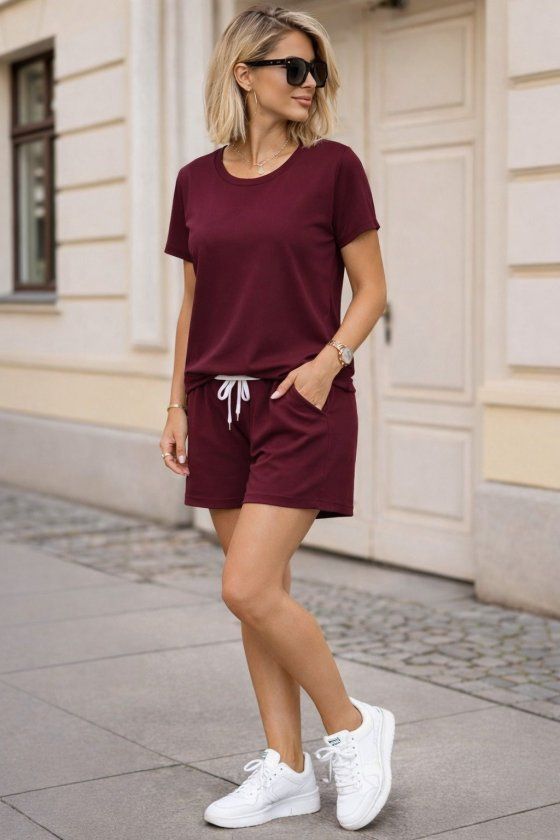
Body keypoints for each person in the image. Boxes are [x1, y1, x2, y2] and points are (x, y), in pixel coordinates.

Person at [161, 3, 392, 832]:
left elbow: (372, 289)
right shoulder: (196, 180)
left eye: (315, 71)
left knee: (247, 584)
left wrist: (328, 363)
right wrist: (177, 402)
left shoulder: (333, 168)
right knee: (260, 599)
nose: (309, 84)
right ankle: (288, 769)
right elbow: (194, 303)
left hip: (300, 399)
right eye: (294, 68)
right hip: (216, 404)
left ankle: (354, 727)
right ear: (244, 73)